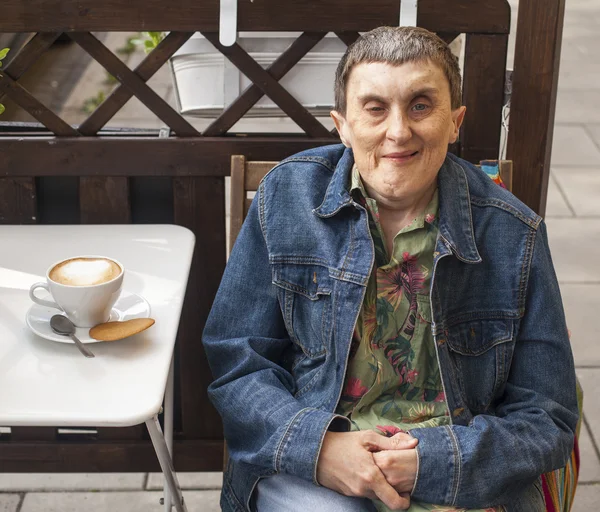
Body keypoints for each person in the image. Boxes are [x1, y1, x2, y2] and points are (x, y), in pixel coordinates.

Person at [202, 26, 578, 512]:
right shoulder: (286, 199)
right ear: (342, 125)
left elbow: (547, 415)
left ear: (455, 121)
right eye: (375, 108)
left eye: (421, 105)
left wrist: (433, 462)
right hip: (316, 467)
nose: (398, 131)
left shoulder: (514, 233)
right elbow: (238, 363)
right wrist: (320, 449)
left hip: (461, 470)